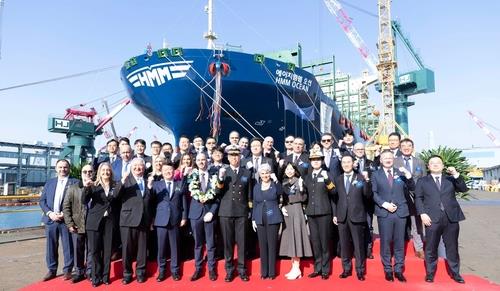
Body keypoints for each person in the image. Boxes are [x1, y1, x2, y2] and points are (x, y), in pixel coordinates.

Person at [415, 155, 468, 284]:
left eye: (438, 162)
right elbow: (418, 198)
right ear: (428, 167)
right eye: (432, 163)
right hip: (431, 218)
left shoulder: (450, 179)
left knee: (452, 247)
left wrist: (456, 174)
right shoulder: (422, 181)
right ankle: (430, 274)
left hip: (451, 218)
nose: (435, 164)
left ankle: (455, 273)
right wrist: (422, 213)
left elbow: (463, 188)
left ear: (443, 166)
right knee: (431, 248)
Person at [371, 150, 414, 282]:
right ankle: (388, 270)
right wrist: (384, 204)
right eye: (385, 158)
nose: (388, 160)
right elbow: (374, 193)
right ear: (381, 160)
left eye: (390, 157)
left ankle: (398, 269)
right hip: (384, 212)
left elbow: (412, 187)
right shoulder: (375, 174)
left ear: (393, 159)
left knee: (399, 242)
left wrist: (408, 176)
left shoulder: (401, 173)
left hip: (400, 212)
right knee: (385, 242)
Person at [332, 155, 372, 281]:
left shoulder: (360, 177)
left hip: (357, 216)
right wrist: (335, 214)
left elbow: (367, 195)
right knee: (344, 245)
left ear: (353, 163)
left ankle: (360, 271)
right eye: (343, 162)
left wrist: (367, 181)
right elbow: (334, 198)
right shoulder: (338, 179)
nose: (346, 164)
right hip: (342, 216)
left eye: (348, 162)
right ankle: (346, 269)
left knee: (358, 245)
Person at [216, 145, 252, 282]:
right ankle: (229, 270)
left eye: (236, 156)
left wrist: (250, 210)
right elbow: (218, 192)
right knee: (228, 243)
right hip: (226, 211)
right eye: (231, 156)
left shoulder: (246, 173)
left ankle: (242, 270)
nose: (234, 158)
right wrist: (220, 179)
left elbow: (249, 194)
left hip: (241, 211)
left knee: (242, 242)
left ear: (240, 157)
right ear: (228, 158)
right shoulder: (223, 171)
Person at [83, 162, 122, 287]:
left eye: (108, 170)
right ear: (99, 171)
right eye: (103, 170)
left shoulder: (115, 185)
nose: (106, 172)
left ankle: (105, 277)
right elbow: (84, 200)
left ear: (111, 172)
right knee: (94, 251)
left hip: (109, 222)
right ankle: (96, 277)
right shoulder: (94, 185)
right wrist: (86, 188)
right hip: (94, 222)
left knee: (107, 251)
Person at [39, 159, 79, 281]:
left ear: (69, 169)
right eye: (60, 167)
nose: (63, 170)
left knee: (68, 246)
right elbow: (42, 201)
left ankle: (67, 270)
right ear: (56, 169)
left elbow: (77, 202)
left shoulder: (75, 182)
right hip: (51, 219)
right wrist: (50, 213)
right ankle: (52, 270)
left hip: (66, 220)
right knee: (51, 246)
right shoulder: (50, 183)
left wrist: (65, 214)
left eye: (65, 167)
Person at [148, 162, 188, 282]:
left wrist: (184, 217)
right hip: (160, 220)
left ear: (174, 171)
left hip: (175, 219)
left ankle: (175, 271)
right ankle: (162, 271)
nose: (168, 172)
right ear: (162, 172)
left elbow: (183, 201)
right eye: (165, 170)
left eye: (170, 170)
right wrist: (151, 219)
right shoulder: (156, 185)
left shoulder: (179, 184)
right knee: (161, 247)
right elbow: (151, 202)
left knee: (175, 247)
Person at [117, 158, 154, 284]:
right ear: (131, 167)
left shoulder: (147, 181)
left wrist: (149, 188)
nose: (138, 168)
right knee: (127, 250)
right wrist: (122, 181)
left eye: (141, 166)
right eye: (135, 166)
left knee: (142, 250)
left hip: (143, 221)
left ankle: (140, 273)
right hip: (128, 220)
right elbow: (116, 195)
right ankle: (127, 274)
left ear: (144, 168)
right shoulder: (126, 181)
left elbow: (149, 201)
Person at [303, 149, 335, 280]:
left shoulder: (327, 174)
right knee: (315, 241)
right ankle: (317, 268)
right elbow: (305, 195)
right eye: (313, 160)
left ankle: (325, 269)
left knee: (325, 241)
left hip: (324, 212)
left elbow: (333, 192)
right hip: (311, 212)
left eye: (318, 160)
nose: (315, 162)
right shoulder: (307, 177)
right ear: (310, 162)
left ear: (321, 161)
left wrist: (327, 181)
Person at [187, 153, 219, 281]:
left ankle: (212, 269)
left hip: (209, 213)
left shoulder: (214, 176)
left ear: (207, 161)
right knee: (198, 244)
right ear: (196, 161)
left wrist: (212, 212)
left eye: (203, 160)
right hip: (195, 214)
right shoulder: (191, 176)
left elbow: (218, 196)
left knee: (211, 244)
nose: (201, 162)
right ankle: (198, 269)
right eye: (199, 160)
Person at [279, 162, 312, 280]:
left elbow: (304, 198)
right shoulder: (283, 183)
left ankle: (297, 268)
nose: (289, 171)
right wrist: (282, 207)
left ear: (295, 170)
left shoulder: (299, 181)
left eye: (291, 169)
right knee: (289, 239)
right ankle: (293, 267)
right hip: (287, 211)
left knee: (297, 238)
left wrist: (302, 189)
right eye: (287, 169)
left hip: (297, 209)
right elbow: (281, 198)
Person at [394, 138, 426, 259]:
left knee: (416, 224)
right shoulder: (394, 161)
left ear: (413, 147)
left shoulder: (420, 162)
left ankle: (419, 248)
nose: (406, 147)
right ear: (400, 148)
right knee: (398, 223)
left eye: (409, 145)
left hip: (415, 197)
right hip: (399, 197)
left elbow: (424, 180)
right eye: (403, 145)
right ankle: (399, 249)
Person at [63, 164, 93, 283]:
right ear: (81, 173)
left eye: (90, 171)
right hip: (77, 224)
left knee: (91, 250)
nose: (87, 174)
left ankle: (90, 271)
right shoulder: (73, 188)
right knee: (78, 250)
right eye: (85, 171)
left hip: (92, 225)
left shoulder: (97, 187)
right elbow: (66, 207)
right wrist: (69, 223)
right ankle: (79, 271)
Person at [251, 164, 283, 280]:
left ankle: (272, 272)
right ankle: (264, 272)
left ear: (270, 173)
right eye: (263, 173)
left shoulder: (275, 185)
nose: (265, 175)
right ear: (259, 175)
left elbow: (281, 192)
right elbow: (254, 203)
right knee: (262, 245)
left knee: (272, 244)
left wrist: (276, 179)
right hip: (260, 218)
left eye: (267, 173)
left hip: (273, 217)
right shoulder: (256, 187)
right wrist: (253, 219)